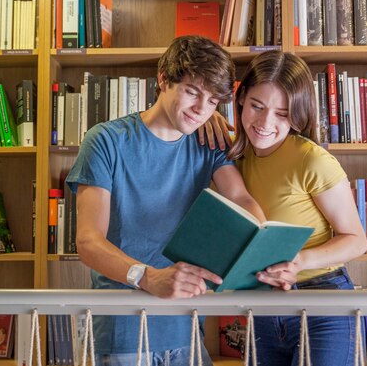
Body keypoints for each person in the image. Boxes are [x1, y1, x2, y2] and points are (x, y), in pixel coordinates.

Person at [66, 35, 266, 366]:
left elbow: (243, 199)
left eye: (213, 102)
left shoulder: (209, 142)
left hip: (186, 327)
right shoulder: (105, 141)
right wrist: (147, 276)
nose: (201, 109)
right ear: (163, 79)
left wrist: (261, 240)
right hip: (123, 330)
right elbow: (88, 242)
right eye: (192, 92)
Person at [205, 50, 367, 366]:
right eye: (257, 106)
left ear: (298, 114)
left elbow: (356, 239)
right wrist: (209, 113)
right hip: (262, 302)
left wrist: (301, 259)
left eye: (282, 113)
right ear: (240, 99)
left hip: (322, 301)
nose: (265, 123)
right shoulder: (234, 155)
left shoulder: (312, 159)